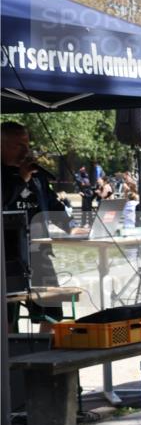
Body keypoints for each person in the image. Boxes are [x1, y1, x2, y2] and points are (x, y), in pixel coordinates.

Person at [2, 121, 86, 327]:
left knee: (52, 312)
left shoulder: (36, 176)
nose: (26, 151)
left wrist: (71, 226)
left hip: (38, 253)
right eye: (19, 145)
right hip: (6, 257)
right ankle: (10, 357)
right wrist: (22, 177)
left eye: (27, 145)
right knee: (6, 316)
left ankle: (44, 353)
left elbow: (51, 204)